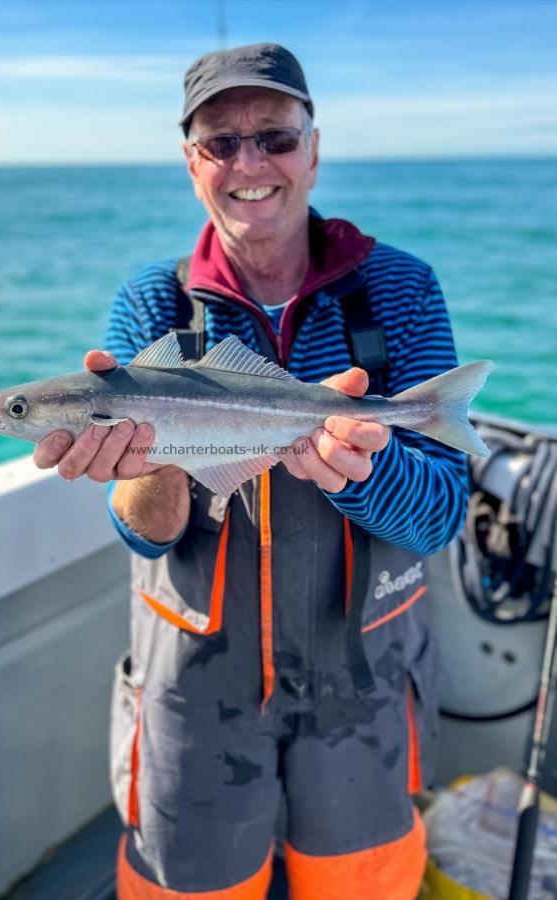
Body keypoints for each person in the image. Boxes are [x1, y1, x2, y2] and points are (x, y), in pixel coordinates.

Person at [34, 44, 469, 900]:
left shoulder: (400, 290)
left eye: (272, 136)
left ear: (311, 148)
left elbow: (439, 516)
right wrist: (149, 465)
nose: (248, 163)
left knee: (363, 885)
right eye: (219, 142)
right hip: (196, 679)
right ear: (189, 160)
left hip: (364, 677)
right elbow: (144, 531)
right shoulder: (153, 301)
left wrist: (359, 473)